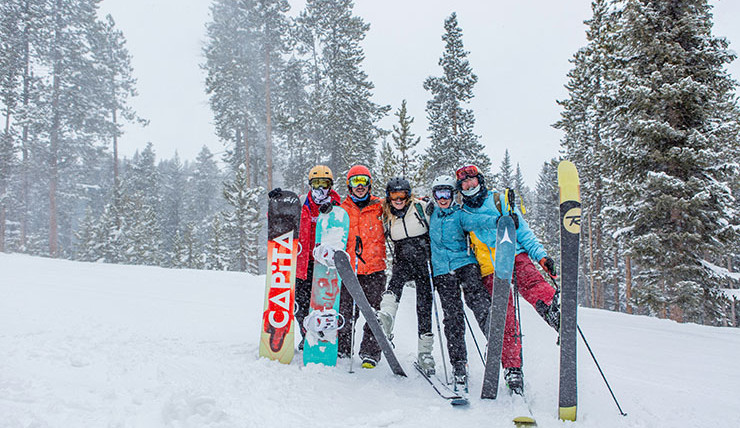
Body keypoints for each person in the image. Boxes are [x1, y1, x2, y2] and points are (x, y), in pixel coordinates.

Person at [455, 164, 560, 395]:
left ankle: (554, 310)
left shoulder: (499, 200)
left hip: (514, 255)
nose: (469, 185)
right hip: (490, 270)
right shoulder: (462, 214)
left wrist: (541, 257)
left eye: (472, 180)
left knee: (532, 284)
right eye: (464, 183)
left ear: (480, 180)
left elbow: (524, 232)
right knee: (505, 318)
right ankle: (512, 368)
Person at [426, 175, 499, 392]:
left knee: (477, 301)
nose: (443, 198)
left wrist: (499, 221)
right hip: (442, 272)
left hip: (465, 264)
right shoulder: (430, 214)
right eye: (439, 193)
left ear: (453, 194)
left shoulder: (460, 215)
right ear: (434, 195)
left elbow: (479, 221)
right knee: (453, 317)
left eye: (446, 193)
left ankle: (492, 336)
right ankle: (459, 364)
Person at [376, 177, 436, 375]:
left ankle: (425, 352)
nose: (398, 200)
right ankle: (386, 317)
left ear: (408, 195)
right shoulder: (386, 214)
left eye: (402, 195)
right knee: (394, 285)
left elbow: (439, 221)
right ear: (389, 196)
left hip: (423, 261)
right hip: (402, 260)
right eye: (394, 195)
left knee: (424, 305)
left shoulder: (420, 208)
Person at [338, 165, 387, 369]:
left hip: (374, 269)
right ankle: (343, 348)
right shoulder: (341, 209)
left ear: (369, 184)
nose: (360, 186)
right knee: (346, 312)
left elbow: (402, 204)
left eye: (363, 181)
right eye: (355, 181)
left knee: (373, 314)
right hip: (349, 271)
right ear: (349, 185)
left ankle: (370, 352)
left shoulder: (380, 206)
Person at [291, 165, 342, 350]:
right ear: (310, 185)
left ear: (331, 185)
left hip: (324, 264)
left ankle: (323, 336)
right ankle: (307, 335)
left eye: (324, 184)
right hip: (303, 262)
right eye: (316, 184)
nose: (320, 189)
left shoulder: (337, 206)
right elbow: (279, 218)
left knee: (322, 303)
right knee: (301, 304)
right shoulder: (300, 203)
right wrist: (279, 201)